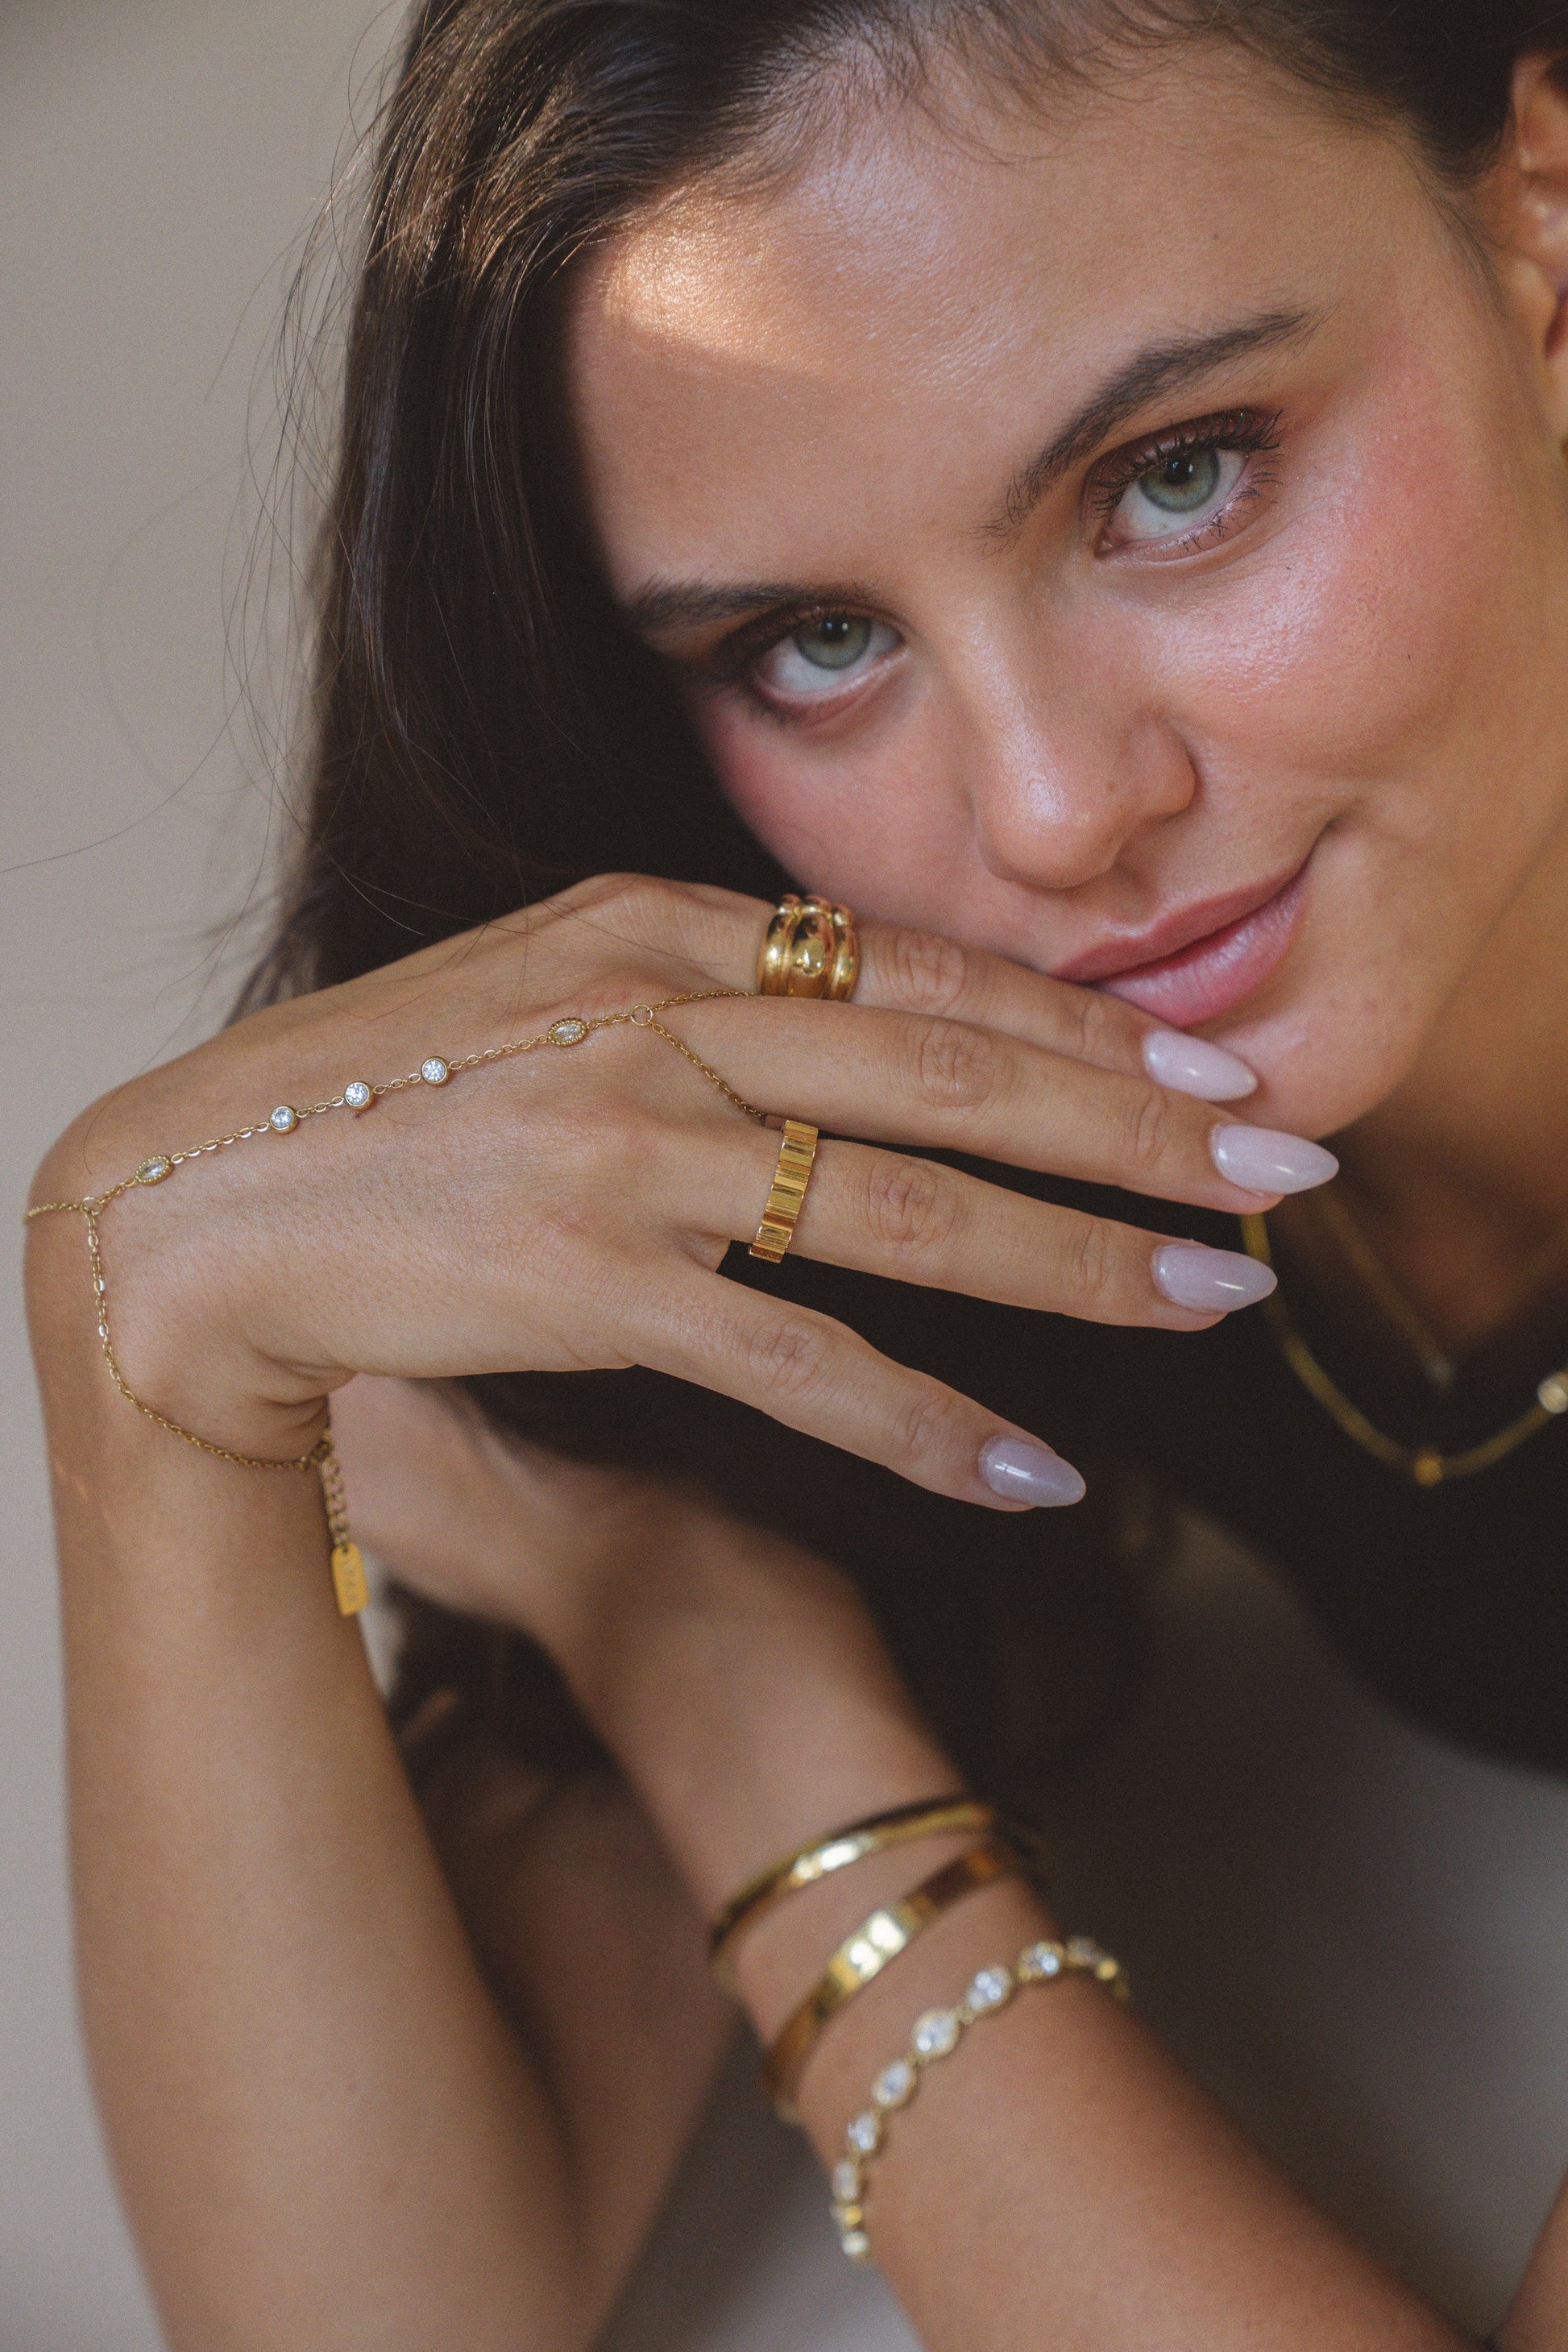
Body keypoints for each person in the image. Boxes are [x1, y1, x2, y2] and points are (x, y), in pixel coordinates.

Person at [23, 0, 1568, 2342]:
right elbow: (377, 2312)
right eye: (817, 640)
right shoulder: (923, 1060)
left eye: (1178, 476)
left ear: (1539, 224)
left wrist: (724, 1678)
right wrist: (139, 1358)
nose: (1050, 813)